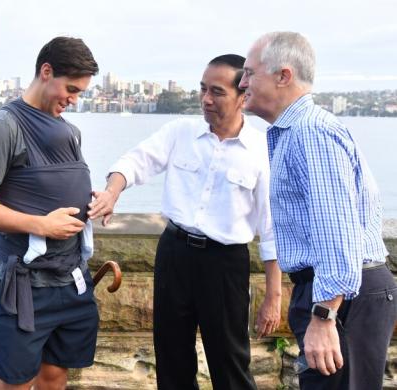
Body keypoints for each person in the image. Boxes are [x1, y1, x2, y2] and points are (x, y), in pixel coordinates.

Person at [88, 54, 282, 390]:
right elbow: (136, 161)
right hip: (174, 254)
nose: (206, 99)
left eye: (217, 92)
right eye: (203, 89)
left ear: (243, 97)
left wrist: (273, 297)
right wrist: (112, 192)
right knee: (172, 360)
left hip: (225, 264)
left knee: (230, 365)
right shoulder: (180, 132)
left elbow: (271, 229)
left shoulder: (262, 150)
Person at [238, 31, 397, 389]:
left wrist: (325, 316)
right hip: (337, 294)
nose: (242, 81)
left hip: (342, 299)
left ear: (284, 75)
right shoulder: (293, 131)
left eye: (250, 73)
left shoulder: (310, 133)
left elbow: (336, 232)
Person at [0, 36, 100, 390]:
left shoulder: (72, 132)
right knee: (17, 382)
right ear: (46, 71)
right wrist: (41, 225)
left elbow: (60, 187)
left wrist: (95, 201)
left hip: (72, 280)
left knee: (56, 375)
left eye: (80, 92)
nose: (73, 99)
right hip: (25, 284)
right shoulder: (3, 127)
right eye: (70, 88)